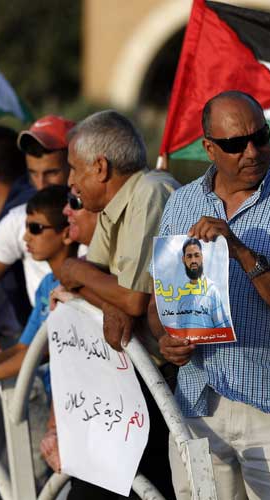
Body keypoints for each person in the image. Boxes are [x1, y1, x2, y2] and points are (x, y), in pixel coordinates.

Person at [150, 90, 270, 500]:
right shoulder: (181, 203)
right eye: (236, 144)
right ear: (209, 148)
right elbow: (158, 301)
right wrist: (167, 338)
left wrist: (240, 250)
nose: (252, 151)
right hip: (199, 400)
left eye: (261, 137)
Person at [58, 109, 179, 500]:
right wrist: (106, 298)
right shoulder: (111, 208)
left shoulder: (150, 191)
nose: (70, 181)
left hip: (166, 379)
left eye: (74, 169)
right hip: (129, 379)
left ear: (100, 167)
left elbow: (130, 296)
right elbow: (91, 288)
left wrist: (78, 270)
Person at [0, 115, 75, 358]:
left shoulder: (98, 217)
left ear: (74, 165)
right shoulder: (16, 219)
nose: (40, 184)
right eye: (33, 173)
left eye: (51, 173)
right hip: (44, 357)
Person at [173, 237, 229, 329]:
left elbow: (222, 329)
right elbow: (179, 327)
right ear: (183, 259)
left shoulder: (212, 290)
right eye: (189, 256)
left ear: (202, 257)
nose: (193, 261)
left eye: (196, 255)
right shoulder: (182, 294)